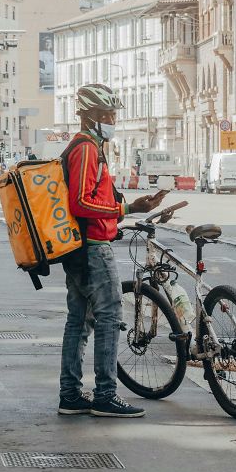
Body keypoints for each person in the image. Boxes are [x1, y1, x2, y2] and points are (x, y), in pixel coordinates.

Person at [58, 83, 166, 419]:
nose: (112, 120)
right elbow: (80, 202)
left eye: (113, 114)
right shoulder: (87, 148)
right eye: (107, 114)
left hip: (80, 247)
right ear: (89, 116)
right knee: (108, 318)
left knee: (79, 320)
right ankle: (106, 394)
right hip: (91, 248)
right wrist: (123, 211)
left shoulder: (89, 148)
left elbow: (98, 197)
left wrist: (133, 207)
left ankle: (71, 395)